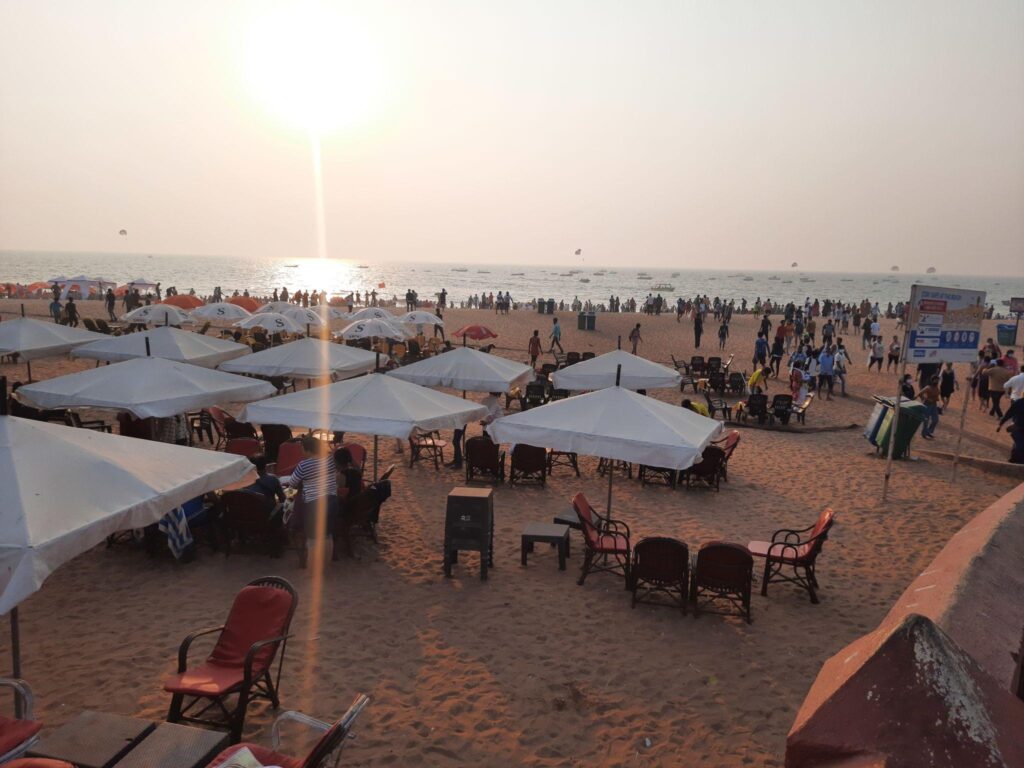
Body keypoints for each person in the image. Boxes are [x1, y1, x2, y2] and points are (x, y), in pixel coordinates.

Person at [281, 436, 338, 551]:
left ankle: (312, 561)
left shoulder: (303, 465)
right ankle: (327, 560)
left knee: (312, 537)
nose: (301, 452)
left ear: (308, 450)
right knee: (327, 534)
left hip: (313, 504)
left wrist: (287, 503)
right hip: (332, 501)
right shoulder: (331, 460)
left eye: (302, 449)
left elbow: (292, 484)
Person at [996, 395, 1024, 463]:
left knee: (1018, 445)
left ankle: (1014, 460)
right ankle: (1016, 461)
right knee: (1019, 445)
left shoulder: (1019, 402)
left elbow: (1009, 414)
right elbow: (1009, 413)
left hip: (1018, 428)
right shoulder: (1019, 402)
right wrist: (1001, 424)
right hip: (1018, 428)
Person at [919, 375, 941, 439]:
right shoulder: (928, 387)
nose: (936, 381)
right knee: (926, 420)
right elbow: (920, 394)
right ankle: (924, 433)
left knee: (935, 420)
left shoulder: (937, 388)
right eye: (935, 380)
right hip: (927, 404)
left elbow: (937, 395)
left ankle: (928, 431)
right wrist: (926, 399)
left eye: (937, 380)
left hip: (934, 405)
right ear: (932, 380)